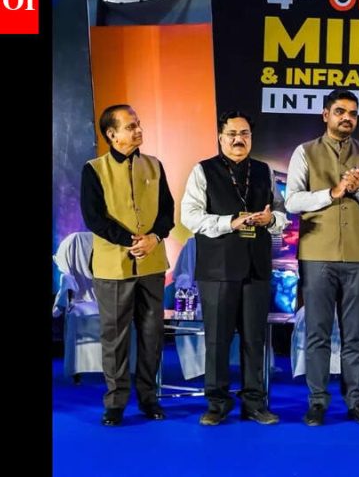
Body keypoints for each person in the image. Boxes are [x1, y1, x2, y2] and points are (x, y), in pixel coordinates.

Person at [284, 89, 359, 426]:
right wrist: (333, 192)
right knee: (317, 332)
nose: (347, 118)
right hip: (317, 254)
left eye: (353, 113)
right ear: (325, 114)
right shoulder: (305, 152)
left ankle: (356, 400)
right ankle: (317, 401)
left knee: (354, 333)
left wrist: (358, 190)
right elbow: (292, 202)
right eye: (340, 111)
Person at [181, 111, 289, 426]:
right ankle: (217, 403)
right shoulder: (203, 170)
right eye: (232, 134)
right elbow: (189, 216)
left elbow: (281, 213)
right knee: (217, 340)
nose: (238, 139)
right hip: (218, 268)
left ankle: (254, 402)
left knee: (255, 339)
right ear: (220, 137)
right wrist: (229, 222)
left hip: (256, 267)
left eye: (244, 134)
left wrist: (272, 219)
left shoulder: (264, 171)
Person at [81, 104, 174, 426]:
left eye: (138, 124)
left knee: (152, 334)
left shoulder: (154, 165)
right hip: (113, 267)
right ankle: (115, 402)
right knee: (115, 337)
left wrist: (154, 238)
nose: (138, 130)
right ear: (112, 134)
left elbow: (167, 212)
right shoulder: (94, 169)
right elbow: (94, 218)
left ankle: (149, 398)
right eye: (130, 126)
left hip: (152, 264)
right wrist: (131, 240)